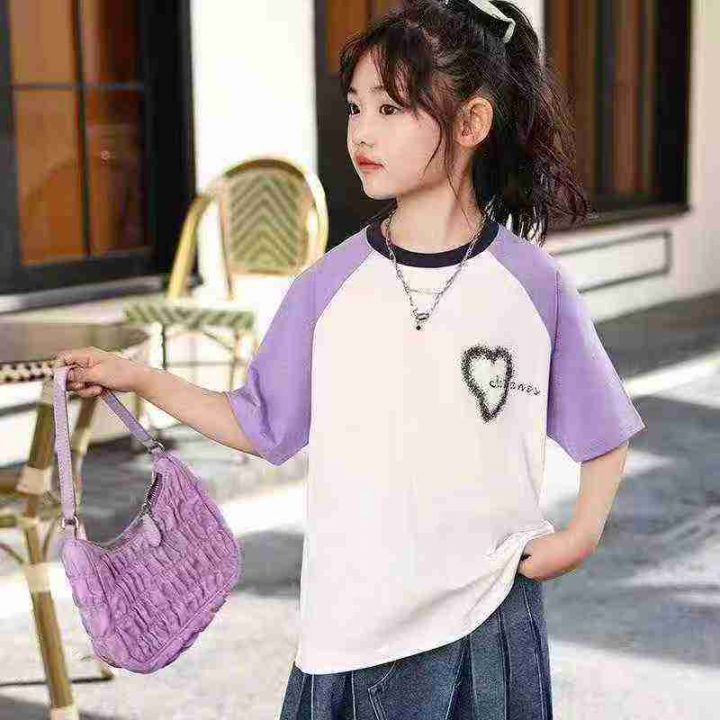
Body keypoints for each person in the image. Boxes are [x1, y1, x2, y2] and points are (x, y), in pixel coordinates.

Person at [53, 1, 646, 717]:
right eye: (356, 107)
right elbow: (260, 424)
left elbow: (603, 428)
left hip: (485, 614)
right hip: (350, 623)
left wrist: (581, 534)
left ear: (471, 123)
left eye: (391, 108)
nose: (362, 132)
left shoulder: (533, 284)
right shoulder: (328, 285)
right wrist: (137, 377)